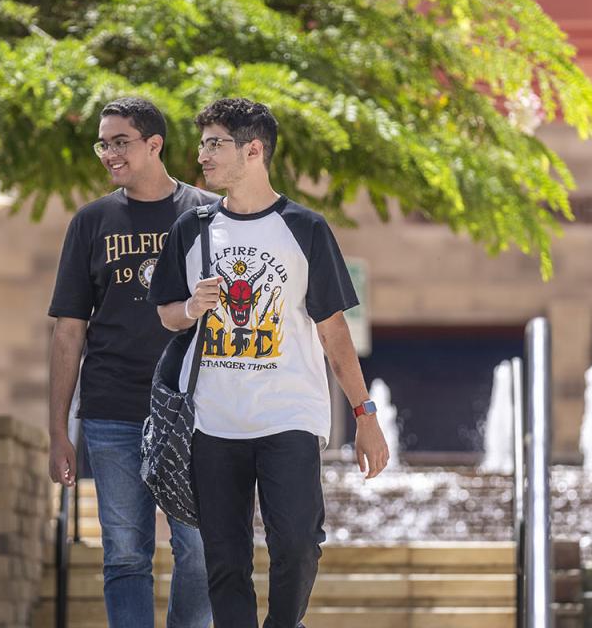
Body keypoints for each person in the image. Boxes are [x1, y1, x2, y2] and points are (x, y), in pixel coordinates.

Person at [150, 98, 390, 628]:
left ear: (253, 150)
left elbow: (334, 332)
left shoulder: (305, 228)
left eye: (216, 144)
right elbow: (168, 314)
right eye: (203, 143)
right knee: (225, 562)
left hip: (289, 416)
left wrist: (365, 414)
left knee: (300, 545)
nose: (203, 155)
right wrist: (192, 307)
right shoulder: (193, 228)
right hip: (213, 422)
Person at [47, 97, 217, 628]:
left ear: (154, 144)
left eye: (120, 141)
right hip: (112, 406)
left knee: (201, 546)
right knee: (124, 554)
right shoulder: (92, 221)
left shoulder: (209, 214)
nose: (109, 153)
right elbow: (69, 329)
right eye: (103, 143)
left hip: (195, 406)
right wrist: (58, 430)